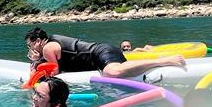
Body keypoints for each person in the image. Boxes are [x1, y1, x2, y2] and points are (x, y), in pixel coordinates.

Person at [25, 28, 187, 78]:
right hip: (102, 52)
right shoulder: (52, 43)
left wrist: (35, 61)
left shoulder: (47, 48)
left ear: (38, 41)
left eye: (30, 44)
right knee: (120, 69)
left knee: (113, 72)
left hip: (99, 53)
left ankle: (165, 61)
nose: (30, 48)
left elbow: (54, 73)